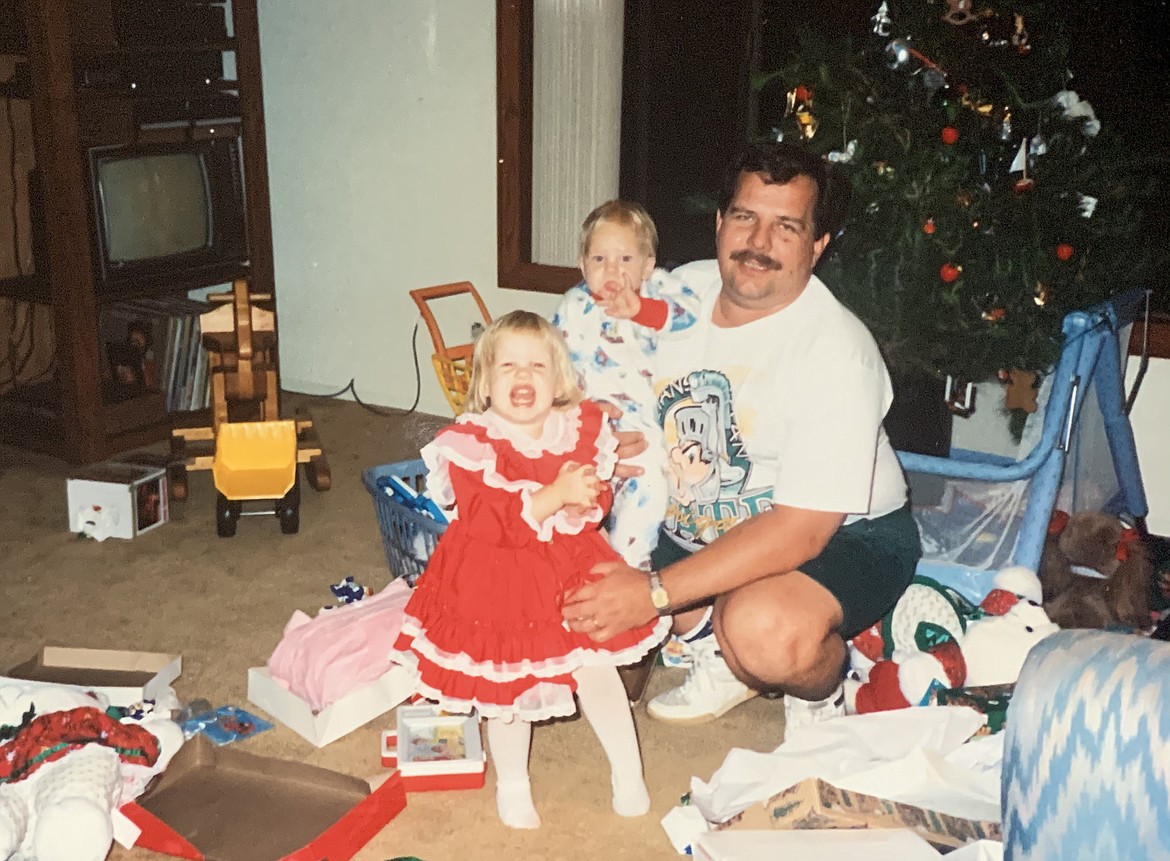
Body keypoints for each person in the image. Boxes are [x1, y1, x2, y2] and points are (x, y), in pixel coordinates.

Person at [560, 141, 921, 730]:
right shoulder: (676, 292)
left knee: (763, 632)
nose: (759, 243)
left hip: (842, 537)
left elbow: (800, 530)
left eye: (787, 227)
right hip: (693, 520)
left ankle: (825, 686)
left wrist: (652, 592)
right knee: (555, 571)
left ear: (818, 245)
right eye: (746, 217)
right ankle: (708, 635)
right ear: (720, 222)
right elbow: (597, 362)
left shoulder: (835, 352)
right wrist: (602, 425)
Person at [391, 310, 669, 830]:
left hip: (571, 563)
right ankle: (513, 784)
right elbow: (487, 518)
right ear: (485, 382)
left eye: (538, 366)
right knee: (508, 690)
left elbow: (597, 493)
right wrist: (552, 496)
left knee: (596, 666)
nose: (523, 377)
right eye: (508, 366)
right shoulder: (470, 441)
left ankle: (628, 771)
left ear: (559, 380)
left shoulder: (580, 427)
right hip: (497, 576)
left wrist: (583, 497)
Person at [552, 200, 700, 571]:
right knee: (559, 484)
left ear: (647, 265)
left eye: (625, 260)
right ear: (583, 265)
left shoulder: (656, 290)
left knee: (649, 486)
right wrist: (568, 413)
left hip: (642, 429)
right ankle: (566, 559)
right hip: (585, 421)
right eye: (599, 260)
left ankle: (627, 563)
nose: (611, 271)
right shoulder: (574, 304)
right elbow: (554, 361)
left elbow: (689, 316)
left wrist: (642, 311)